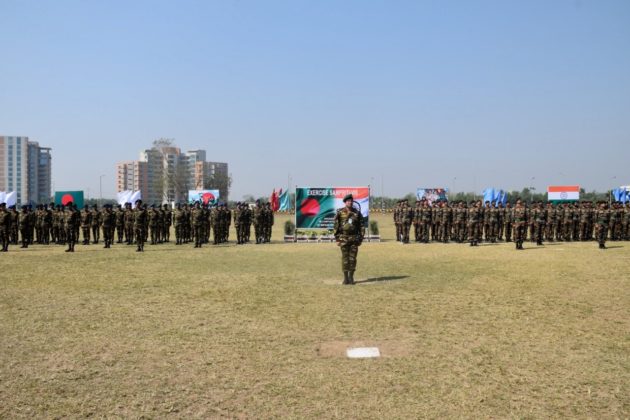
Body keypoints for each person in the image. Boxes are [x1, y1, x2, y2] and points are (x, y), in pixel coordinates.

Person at [333, 194, 364, 285]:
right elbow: (336, 226)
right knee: (345, 259)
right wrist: (337, 239)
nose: (350, 202)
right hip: (343, 239)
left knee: (353, 259)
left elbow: (362, 226)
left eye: (351, 201)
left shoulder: (357, 213)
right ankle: (345, 278)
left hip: (354, 239)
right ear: (345, 202)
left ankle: (351, 277)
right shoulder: (340, 212)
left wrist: (361, 238)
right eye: (348, 201)